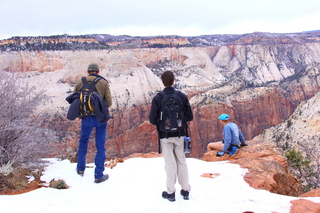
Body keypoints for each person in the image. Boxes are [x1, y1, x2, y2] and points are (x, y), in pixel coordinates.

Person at [149, 71, 193, 202]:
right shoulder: (181, 96)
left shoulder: (158, 98)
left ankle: (170, 192)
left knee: (170, 163)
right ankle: (185, 190)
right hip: (180, 134)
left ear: (162, 82)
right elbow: (190, 116)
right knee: (182, 161)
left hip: (165, 135)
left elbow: (152, 120)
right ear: (173, 81)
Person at [74, 63, 112, 183]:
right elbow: (109, 102)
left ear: (88, 71)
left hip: (86, 117)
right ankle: (99, 175)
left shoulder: (81, 81)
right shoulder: (103, 82)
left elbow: (75, 98)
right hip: (100, 118)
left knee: (83, 141)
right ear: (98, 72)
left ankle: (80, 169)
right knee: (100, 146)